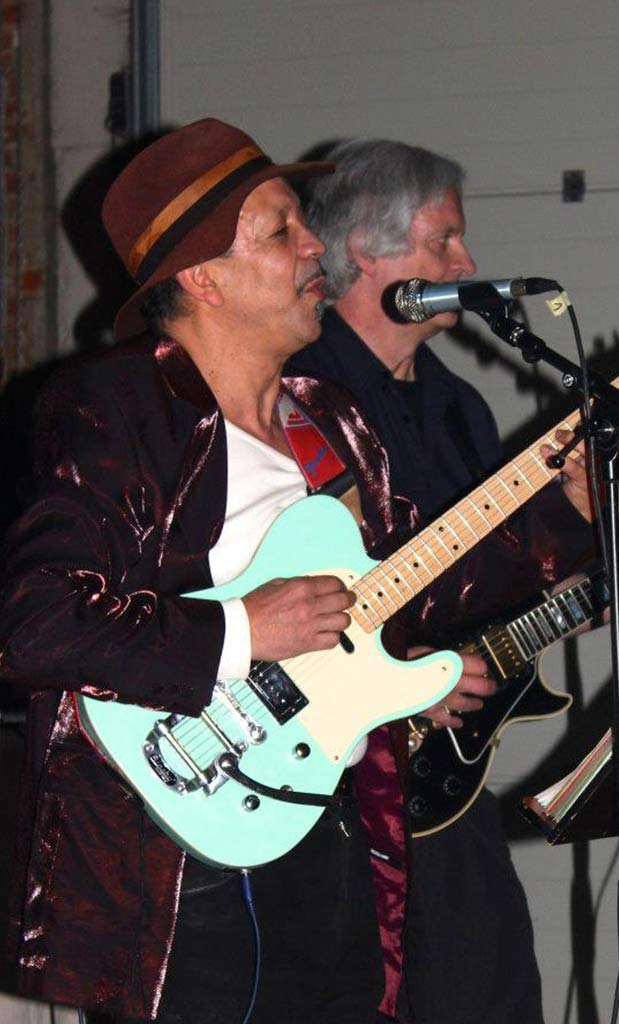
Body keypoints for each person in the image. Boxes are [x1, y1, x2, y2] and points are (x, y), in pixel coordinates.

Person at [286, 139, 619, 1024]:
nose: (467, 264)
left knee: (494, 994)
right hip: (325, 786)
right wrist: (388, 679)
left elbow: (505, 611)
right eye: (443, 242)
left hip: (442, 790)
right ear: (365, 254)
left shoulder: (458, 407)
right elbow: (278, 588)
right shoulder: (301, 394)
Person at [0, 119, 415, 1023]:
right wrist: (241, 629)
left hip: (323, 823)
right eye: (279, 230)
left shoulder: (330, 418)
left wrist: (572, 512)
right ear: (201, 278)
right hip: (181, 861)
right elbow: (34, 624)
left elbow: (419, 582)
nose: (313, 246)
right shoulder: (115, 405)